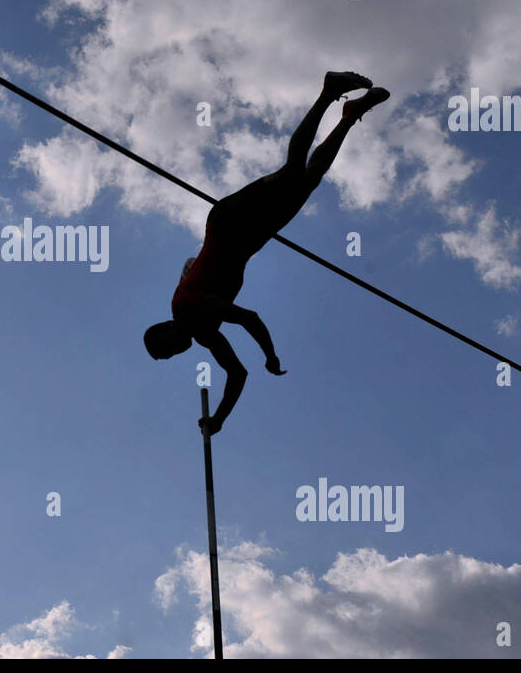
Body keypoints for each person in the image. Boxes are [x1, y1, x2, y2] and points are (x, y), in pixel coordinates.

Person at [144, 71, 390, 435]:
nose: (172, 354)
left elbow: (248, 318)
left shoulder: (188, 311)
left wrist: (270, 355)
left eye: (165, 348)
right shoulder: (205, 333)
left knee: (293, 172)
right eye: (168, 357)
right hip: (250, 238)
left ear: (166, 328)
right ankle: (350, 115)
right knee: (309, 177)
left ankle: (329, 92)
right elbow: (237, 374)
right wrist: (219, 420)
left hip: (230, 223)